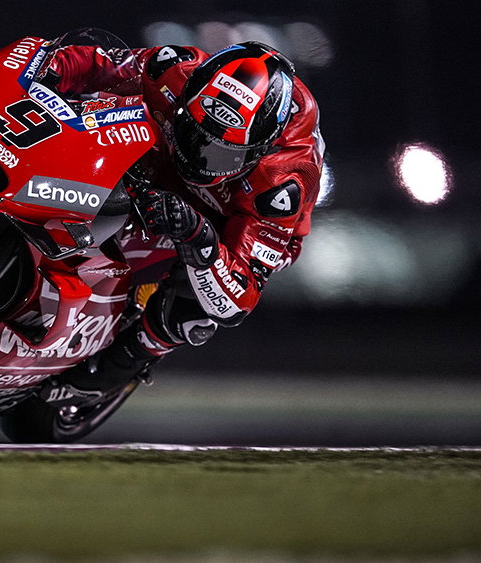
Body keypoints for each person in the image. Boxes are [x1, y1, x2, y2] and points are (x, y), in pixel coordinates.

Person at [46, 39, 326, 398]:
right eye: (195, 134)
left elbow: (238, 299)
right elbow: (96, 63)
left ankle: (122, 363)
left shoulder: (281, 184)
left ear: (259, 150)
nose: (199, 157)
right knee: (101, 108)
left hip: (230, 214)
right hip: (159, 158)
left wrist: (197, 235)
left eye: (223, 153)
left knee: (197, 309)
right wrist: (48, 69)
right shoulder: (172, 68)